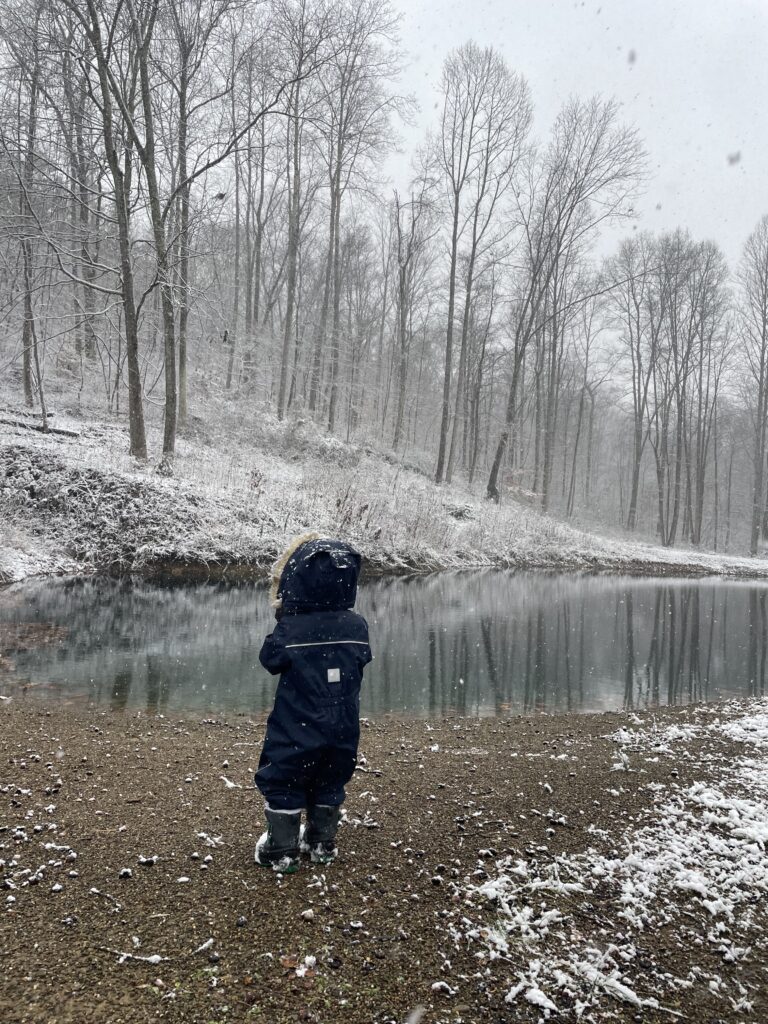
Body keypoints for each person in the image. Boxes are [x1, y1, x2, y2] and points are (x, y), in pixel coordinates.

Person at [254, 533, 372, 872]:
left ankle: (282, 848)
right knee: (331, 777)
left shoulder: (292, 629)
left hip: (297, 722)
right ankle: (322, 842)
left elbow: (270, 659)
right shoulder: (357, 626)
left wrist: (286, 621)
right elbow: (361, 659)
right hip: (343, 725)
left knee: (285, 776)